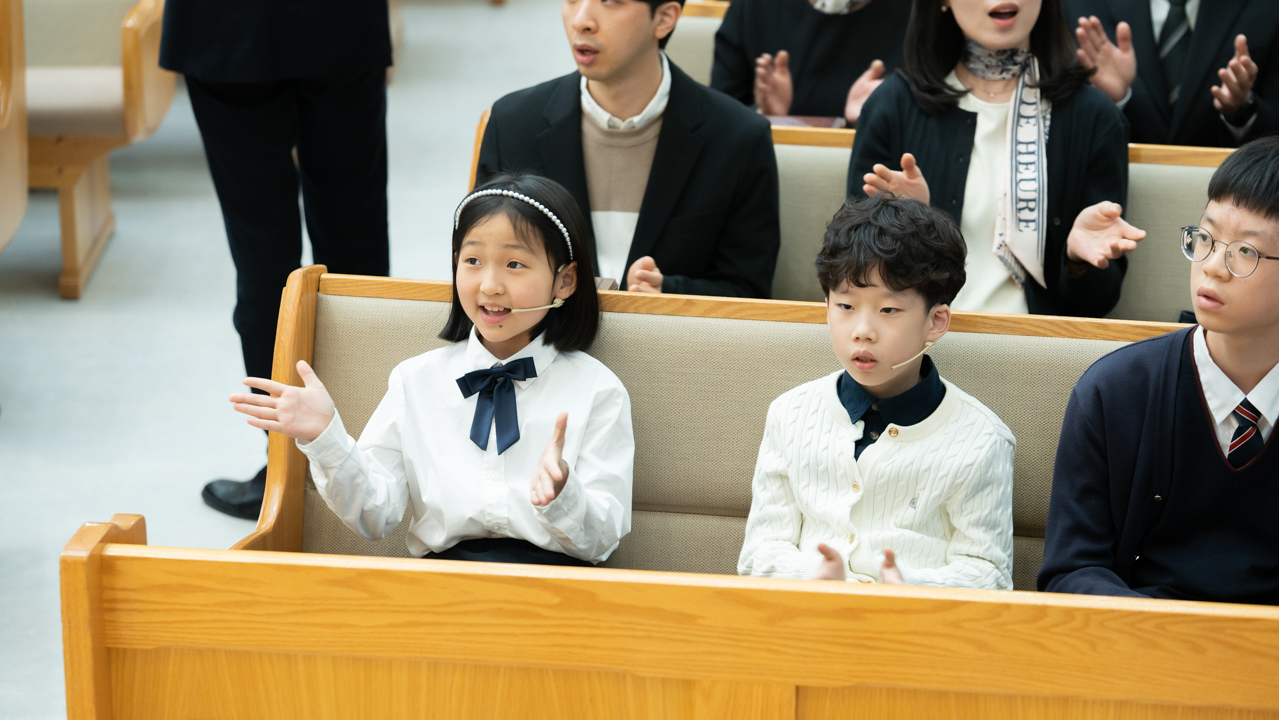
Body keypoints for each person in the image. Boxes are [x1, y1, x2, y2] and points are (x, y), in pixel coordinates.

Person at [229, 174, 635, 565]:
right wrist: (325, 437)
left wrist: (564, 496)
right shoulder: (415, 380)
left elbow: (602, 541)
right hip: (441, 584)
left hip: (558, 589)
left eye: (514, 264)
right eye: (472, 260)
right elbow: (375, 515)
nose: (489, 285)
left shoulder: (598, 389)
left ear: (565, 281)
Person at [160, 0, 394, 519]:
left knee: (263, 253)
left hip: (228, 24)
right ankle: (367, 461)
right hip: (337, 21)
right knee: (354, 242)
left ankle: (286, 470)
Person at [1039, 136, 1279, 605]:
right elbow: (1071, 570)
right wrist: (1168, 632)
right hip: (1143, 637)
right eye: (1206, 239)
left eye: (1246, 252)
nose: (1213, 267)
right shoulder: (1115, 391)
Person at [738, 193, 1015, 588]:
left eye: (888, 310)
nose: (862, 331)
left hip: (916, 623)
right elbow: (759, 553)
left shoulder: (983, 438)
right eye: (845, 306)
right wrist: (816, 577)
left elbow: (989, 573)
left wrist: (908, 587)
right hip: (803, 614)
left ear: (936, 321)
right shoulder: (790, 413)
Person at [849, 0, 1146, 318]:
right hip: (919, 340)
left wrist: (1077, 262)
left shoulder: (1095, 117)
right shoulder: (893, 105)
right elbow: (854, 275)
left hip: (1037, 340)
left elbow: (1097, 305)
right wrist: (912, 224)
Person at [477, 0, 781, 298]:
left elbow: (748, 290)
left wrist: (669, 292)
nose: (581, 20)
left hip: (667, 331)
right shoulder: (513, 124)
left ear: (664, 18)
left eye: (610, 2)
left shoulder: (738, 138)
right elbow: (481, 266)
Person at [1064, 0, 1279, 147]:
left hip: (1231, 188)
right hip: (1115, 186)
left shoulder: (1267, 8)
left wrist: (1241, 110)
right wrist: (1113, 101)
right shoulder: (1077, 5)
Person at [711, 0, 911, 123]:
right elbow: (720, 117)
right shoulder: (754, 7)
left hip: (881, 168)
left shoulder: (916, 12)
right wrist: (766, 117)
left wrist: (875, 122)